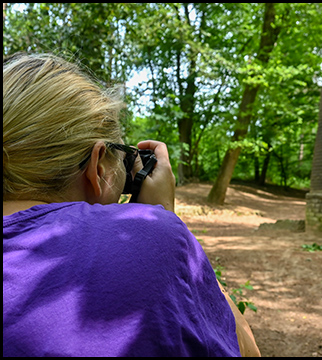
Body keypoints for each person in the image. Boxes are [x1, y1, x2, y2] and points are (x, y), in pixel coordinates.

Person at [3, 53, 261, 357]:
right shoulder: (154, 240)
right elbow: (246, 350)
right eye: (120, 156)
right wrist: (158, 216)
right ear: (98, 167)